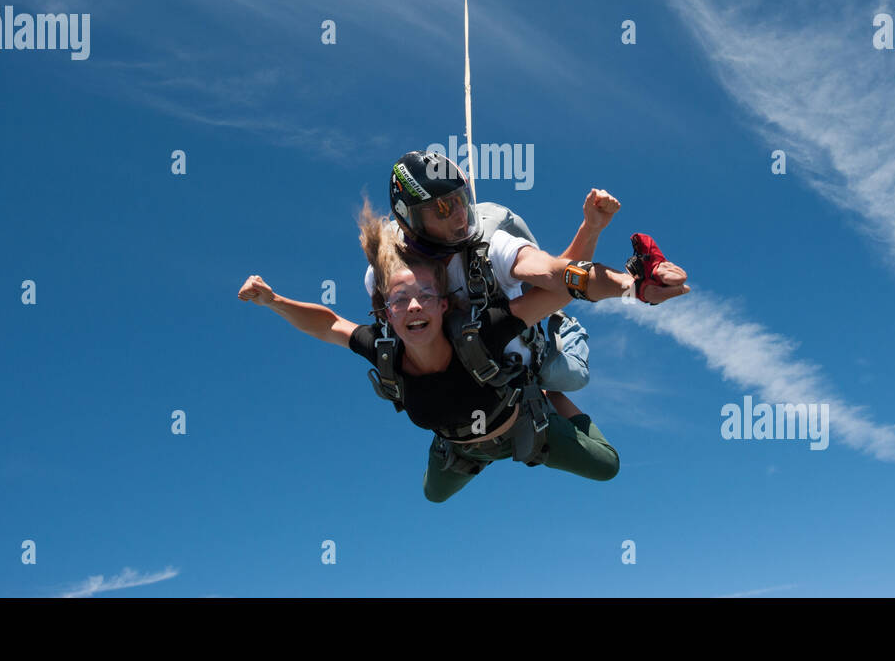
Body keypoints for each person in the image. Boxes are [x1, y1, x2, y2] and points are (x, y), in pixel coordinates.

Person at [239, 208, 646, 502]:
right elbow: (328, 324)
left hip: (526, 428)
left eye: (425, 296)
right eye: (400, 300)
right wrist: (274, 300)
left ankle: (543, 385)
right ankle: (455, 445)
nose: (414, 307)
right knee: (432, 495)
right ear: (384, 312)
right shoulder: (386, 354)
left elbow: (561, 284)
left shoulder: (482, 335)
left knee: (607, 465)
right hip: (461, 449)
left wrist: (630, 281)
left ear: (444, 305)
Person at [372, 151, 690, 392]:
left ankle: (558, 335)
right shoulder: (385, 271)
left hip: (511, 349)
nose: (457, 216)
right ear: (408, 218)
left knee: (570, 379)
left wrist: (632, 287)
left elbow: (555, 272)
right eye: (442, 208)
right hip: (462, 382)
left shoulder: (490, 245)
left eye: (459, 201)